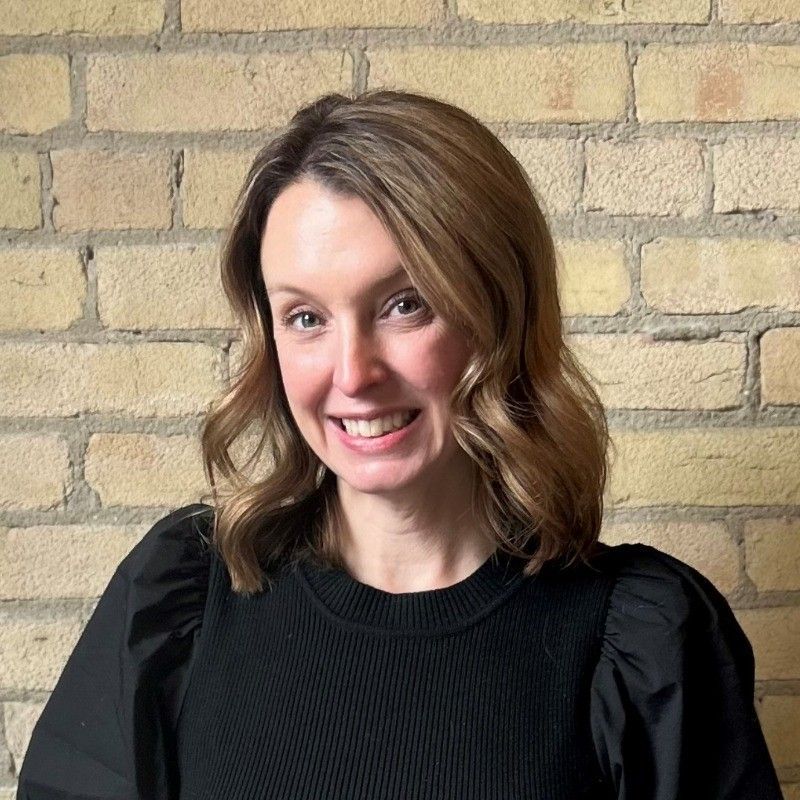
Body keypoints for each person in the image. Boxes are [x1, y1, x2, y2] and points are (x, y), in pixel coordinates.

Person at [16, 90, 783, 800]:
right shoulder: (180, 605)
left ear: (498, 312)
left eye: (404, 305)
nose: (352, 374)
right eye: (306, 318)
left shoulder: (643, 647)